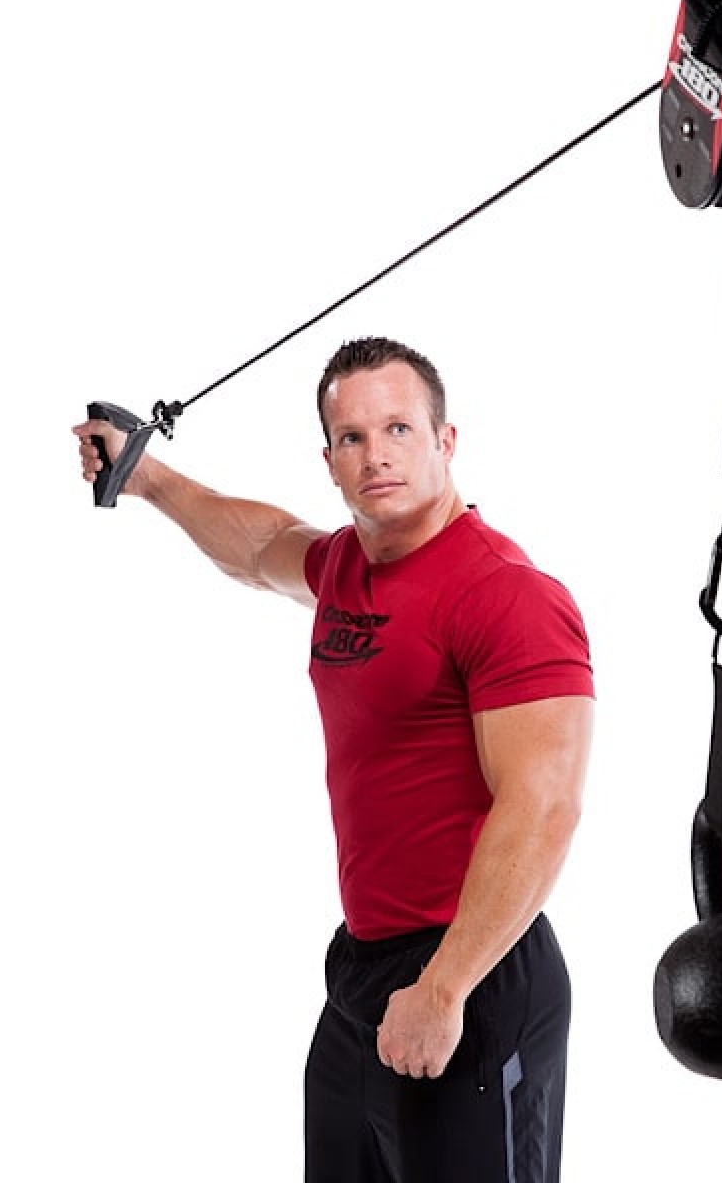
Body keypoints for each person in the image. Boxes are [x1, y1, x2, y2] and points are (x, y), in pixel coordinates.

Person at [73, 336, 595, 1182]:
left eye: (399, 429)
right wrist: (149, 477)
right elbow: (258, 547)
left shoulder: (505, 593)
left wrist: (445, 988)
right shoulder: (346, 566)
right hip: (364, 972)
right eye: (352, 437)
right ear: (329, 461)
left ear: (446, 440)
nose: (376, 454)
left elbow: (545, 808)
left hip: (473, 975)